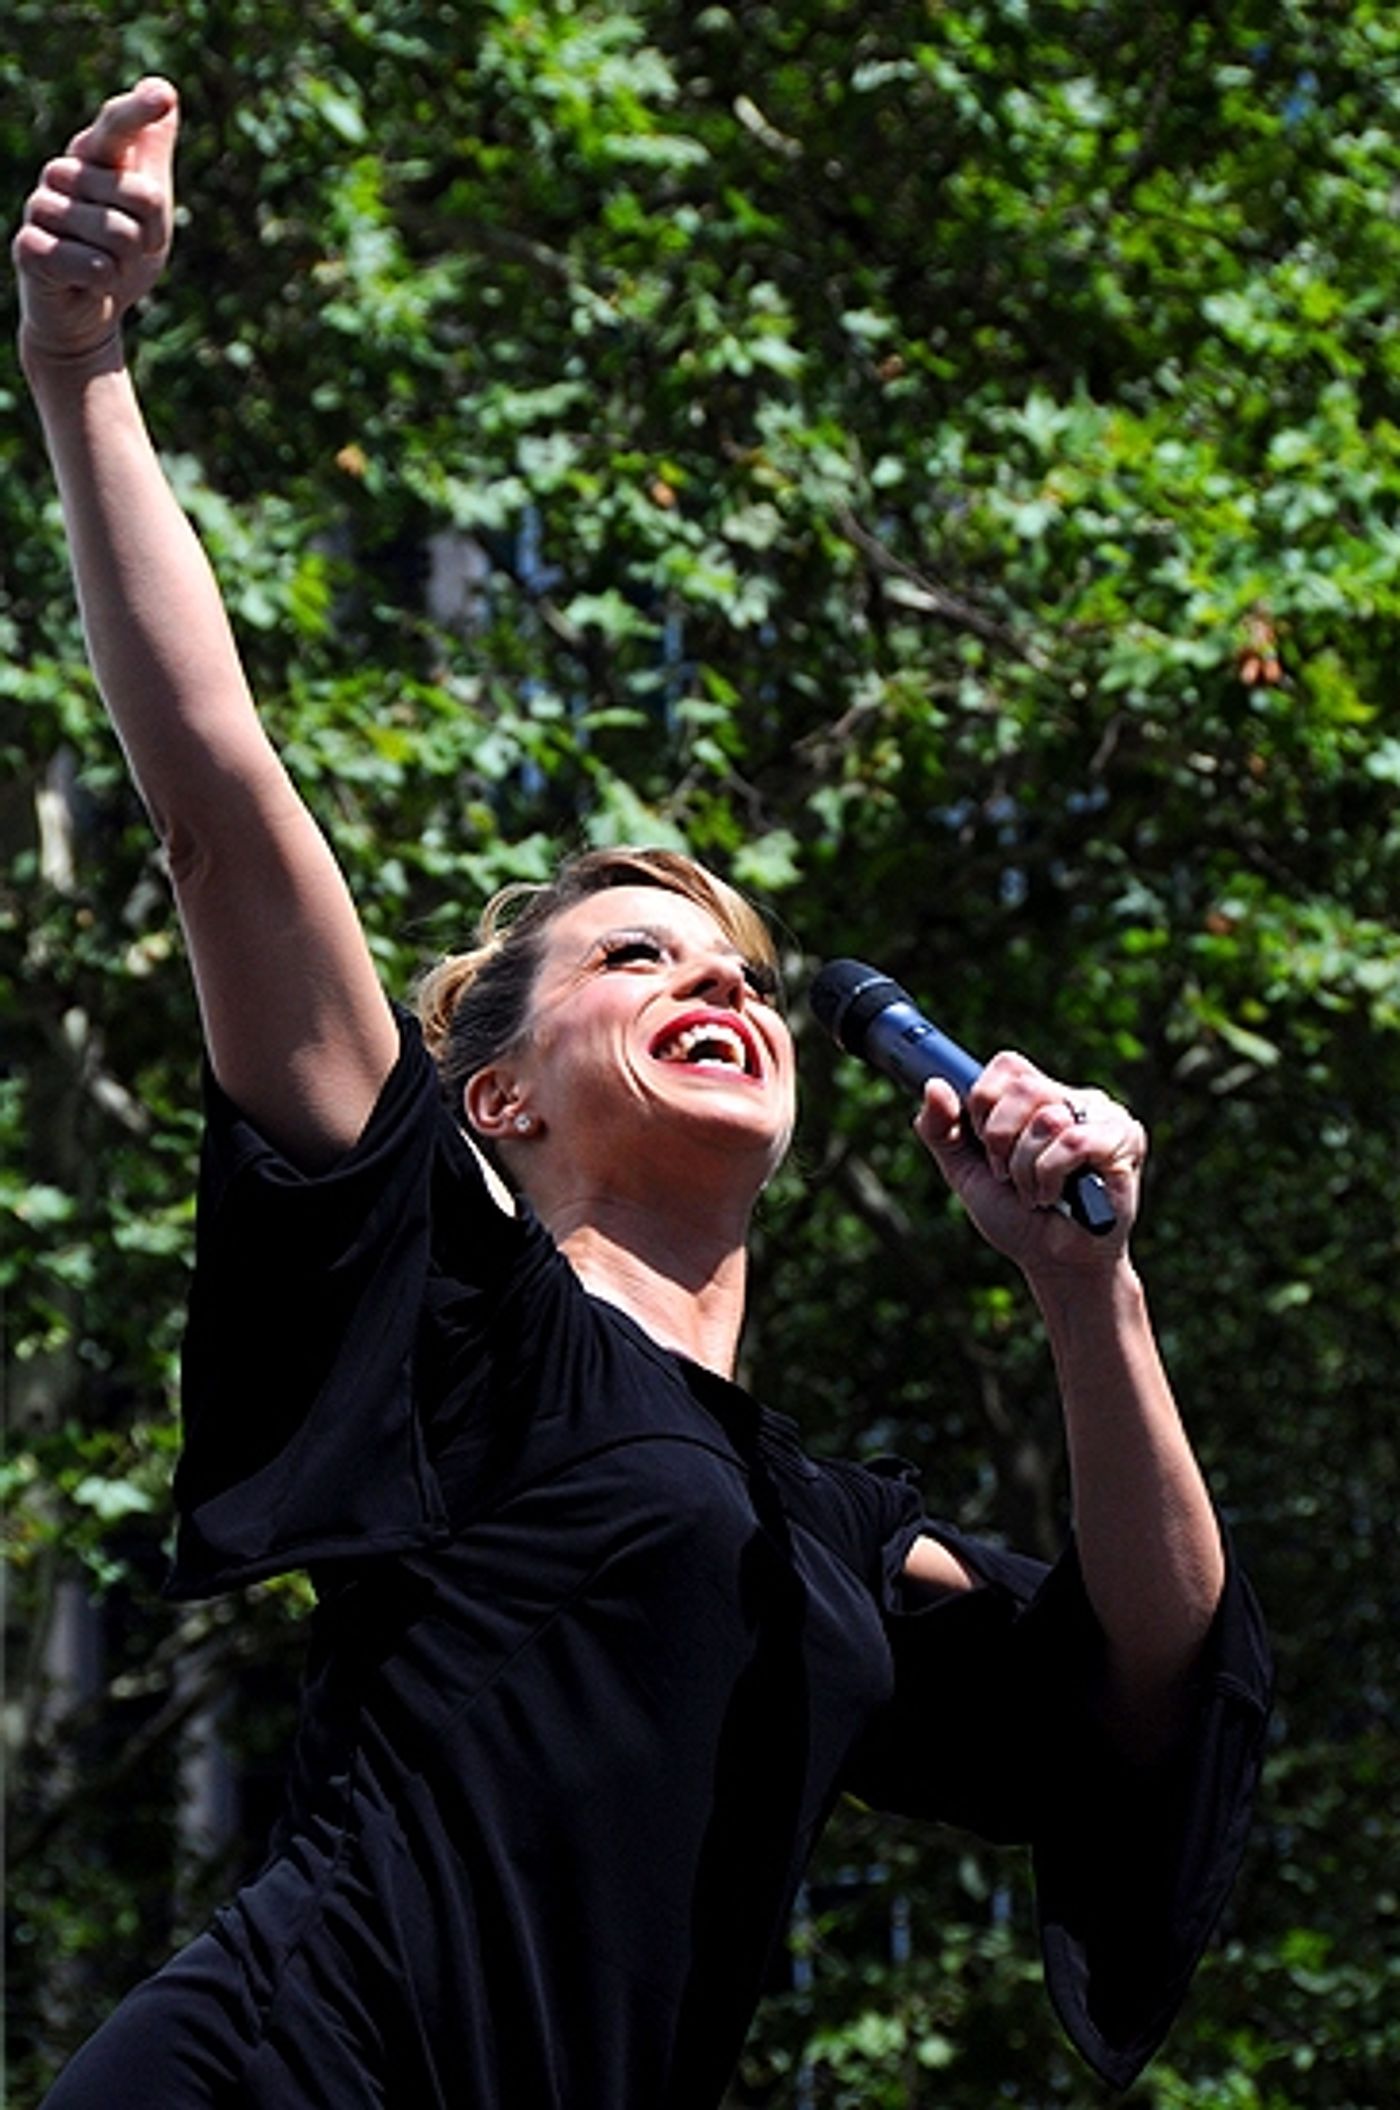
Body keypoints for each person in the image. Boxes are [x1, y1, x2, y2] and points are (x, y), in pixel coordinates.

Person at [16, 79, 1271, 2110]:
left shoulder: (832, 1532)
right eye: (638, 954)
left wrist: (1083, 1294)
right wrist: (83, 367)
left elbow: (1151, 1676)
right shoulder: (460, 1320)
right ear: (494, 1098)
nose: (718, 981)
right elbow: (220, 813)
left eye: (744, 971)